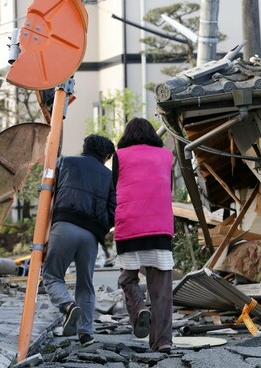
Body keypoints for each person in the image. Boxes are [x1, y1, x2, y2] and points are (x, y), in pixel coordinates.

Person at [42, 134, 116, 347]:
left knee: (52, 276)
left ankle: (67, 306)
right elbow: (114, 208)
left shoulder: (66, 162)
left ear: (85, 147)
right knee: (86, 284)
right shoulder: (107, 175)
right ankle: (86, 334)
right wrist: (100, 228)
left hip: (64, 225)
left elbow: (48, 193)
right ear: (105, 155)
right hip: (90, 235)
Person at [113, 118, 174, 353]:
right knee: (162, 289)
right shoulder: (166, 156)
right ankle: (163, 341)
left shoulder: (120, 156)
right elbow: (167, 189)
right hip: (160, 227)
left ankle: (139, 309)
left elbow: (114, 187)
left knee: (128, 278)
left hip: (129, 226)